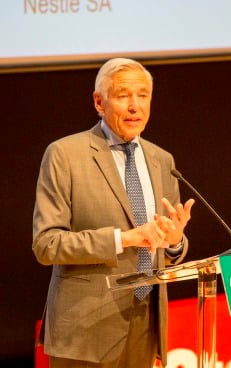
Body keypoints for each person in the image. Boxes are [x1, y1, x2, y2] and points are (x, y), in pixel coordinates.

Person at [32, 58, 195, 368]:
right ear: (99, 101)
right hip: (85, 330)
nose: (135, 106)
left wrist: (174, 242)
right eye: (122, 95)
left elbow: (168, 246)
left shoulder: (162, 159)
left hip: (145, 323)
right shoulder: (65, 154)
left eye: (143, 95)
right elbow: (46, 244)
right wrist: (125, 239)